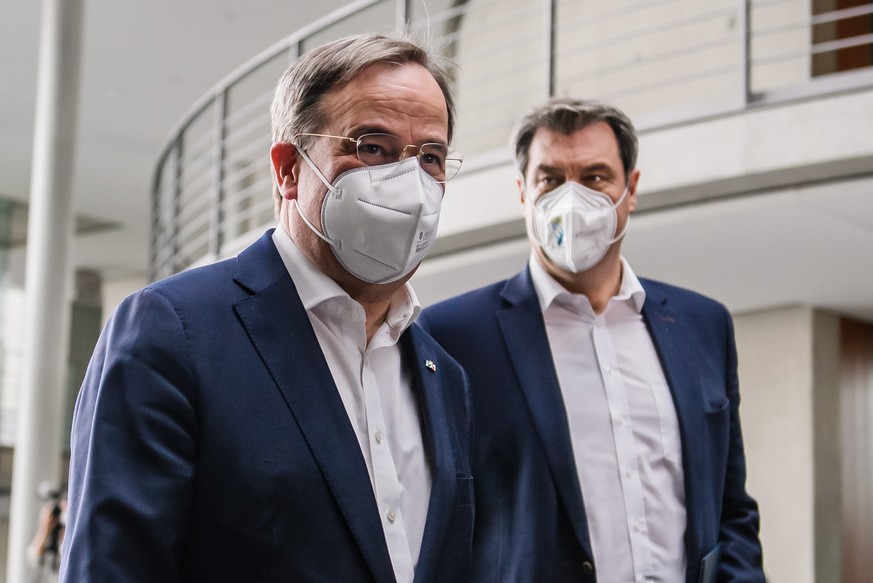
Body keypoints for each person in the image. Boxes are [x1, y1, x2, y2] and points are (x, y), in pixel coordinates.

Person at [61, 33, 473, 583]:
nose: (408, 182)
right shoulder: (174, 333)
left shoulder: (444, 376)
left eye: (431, 157)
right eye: (371, 147)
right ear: (288, 169)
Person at [419, 98, 765, 583]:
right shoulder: (453, 336)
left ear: (632, 189)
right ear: (524, 194)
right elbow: (434, 524)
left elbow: (730, 507)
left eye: (596, 177)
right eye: (551, 179)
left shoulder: (703, 325)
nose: (573, 199)